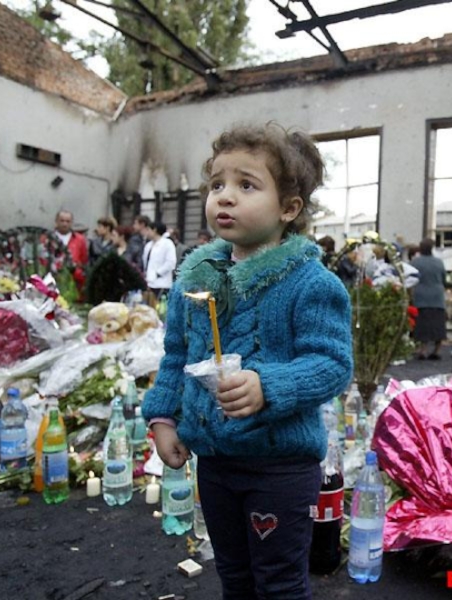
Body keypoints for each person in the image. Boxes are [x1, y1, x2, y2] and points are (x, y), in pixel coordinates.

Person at [142, 123, 353, 600]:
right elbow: (177, 356)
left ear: (288, 209)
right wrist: (163, 417)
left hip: (279, 469)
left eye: (247, 185)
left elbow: (332, 363)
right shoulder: (195, 280)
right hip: (215, 464)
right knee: (234, 577)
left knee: (279, 583)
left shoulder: (311, 285)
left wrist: (267, 385)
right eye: (217, 183)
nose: (225, 196)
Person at [410, 238, 448, 360]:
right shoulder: (439, 262)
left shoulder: (415, 262)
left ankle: (423, 349)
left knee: (422, 324)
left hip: (420, 296)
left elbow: (410, 278)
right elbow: (444, 279)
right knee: (438, 324)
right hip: (437, 296)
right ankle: (437, 349)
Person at [142, 221, 177, 297]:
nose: (147, 232)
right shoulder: (148, 245)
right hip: (148, 282)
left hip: (162, 284)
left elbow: (171, 263)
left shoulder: (167, 243)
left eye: (148, 229)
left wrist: (157, 274)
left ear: (154, 230)